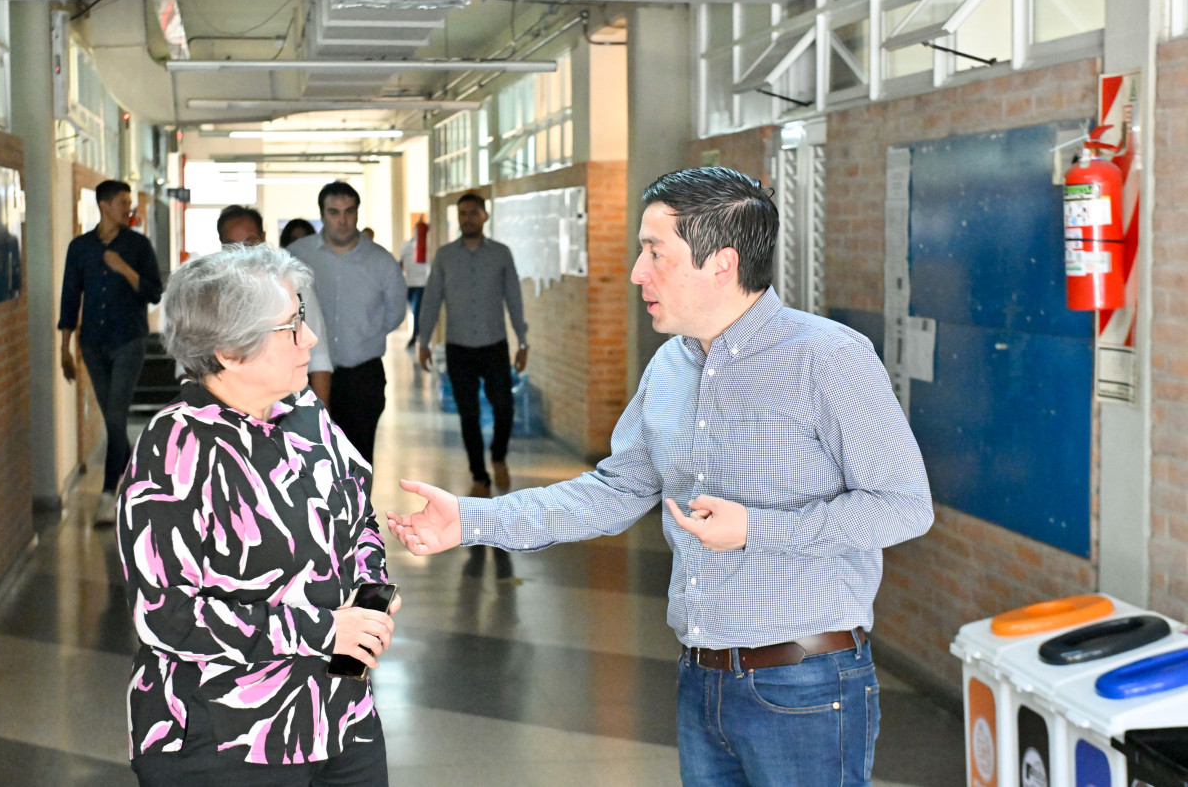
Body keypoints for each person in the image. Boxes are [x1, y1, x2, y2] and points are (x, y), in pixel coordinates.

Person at [386, 166, 934, 787]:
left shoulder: (828, 356)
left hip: (804, 686)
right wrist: (474, 519)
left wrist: (757, 529)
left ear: (722, 263)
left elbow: (904, 505)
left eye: (655, 253)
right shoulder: (671, 364)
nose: (636, 272)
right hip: (701, 681)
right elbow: (618, 489)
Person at [120, 244, 399, 787]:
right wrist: (324, 630)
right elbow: (166, 614)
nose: (311, 339)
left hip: (341, 716)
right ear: (228, 349)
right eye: (292, 325)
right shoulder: (174, 447)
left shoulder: (305, 412)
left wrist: (371, 589)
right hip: (224, 737)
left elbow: (357, 510)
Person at [416, 193, 527, 579]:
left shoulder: (501, 253)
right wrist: (423, 340)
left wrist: (523, 340)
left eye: (473, 212)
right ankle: (479, 475)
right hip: (460, 347)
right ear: (458, 218)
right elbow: (431, 300)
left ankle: (498, 456)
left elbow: (514, 298)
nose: (468, 218)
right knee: (467, 413)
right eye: (462, 213)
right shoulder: (445, 256)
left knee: (503, 406)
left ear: (484, 215)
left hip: (495, 345)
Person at [58, 180, 162, 527]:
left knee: (116, 417)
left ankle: (107, 496)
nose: (128, 209)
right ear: (104, 205)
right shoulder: (80, 247)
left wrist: (125, 269)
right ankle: (137, 475)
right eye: (122, 202)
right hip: (92, 342)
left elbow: (154, 292)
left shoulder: (138, 245)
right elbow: (70, 296)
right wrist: (65, 347)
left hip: (129, 340)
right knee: (112, 419)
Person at [288, 182, 407, 467]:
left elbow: (395, 313)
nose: (342, 220)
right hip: (304, 375)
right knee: (307, 456)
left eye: (348, 211)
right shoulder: (296, 255)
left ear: (357, 214)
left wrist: (364, 336)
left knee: (359, 457)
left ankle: (359, 511)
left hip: (361, 377)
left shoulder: (380, 261)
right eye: (333, 212)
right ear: (322, 215)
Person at [218, 205, 334, 406]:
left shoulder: (294, 288)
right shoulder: (211, 297)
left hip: (287, 405)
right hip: (227, 408)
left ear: (263, 238)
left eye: (250, 243)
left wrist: (321, 419)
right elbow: (190, 370)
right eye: (232, 246)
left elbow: (319, 358)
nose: (242, 254)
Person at [398, 218, 430, 350]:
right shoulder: (406, 245)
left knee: (417, 311)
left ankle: (415, 336)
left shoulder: (428, 245)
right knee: (411, 310)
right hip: (408, 283)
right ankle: (417, 333)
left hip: (422, 283)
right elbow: (401, 263)